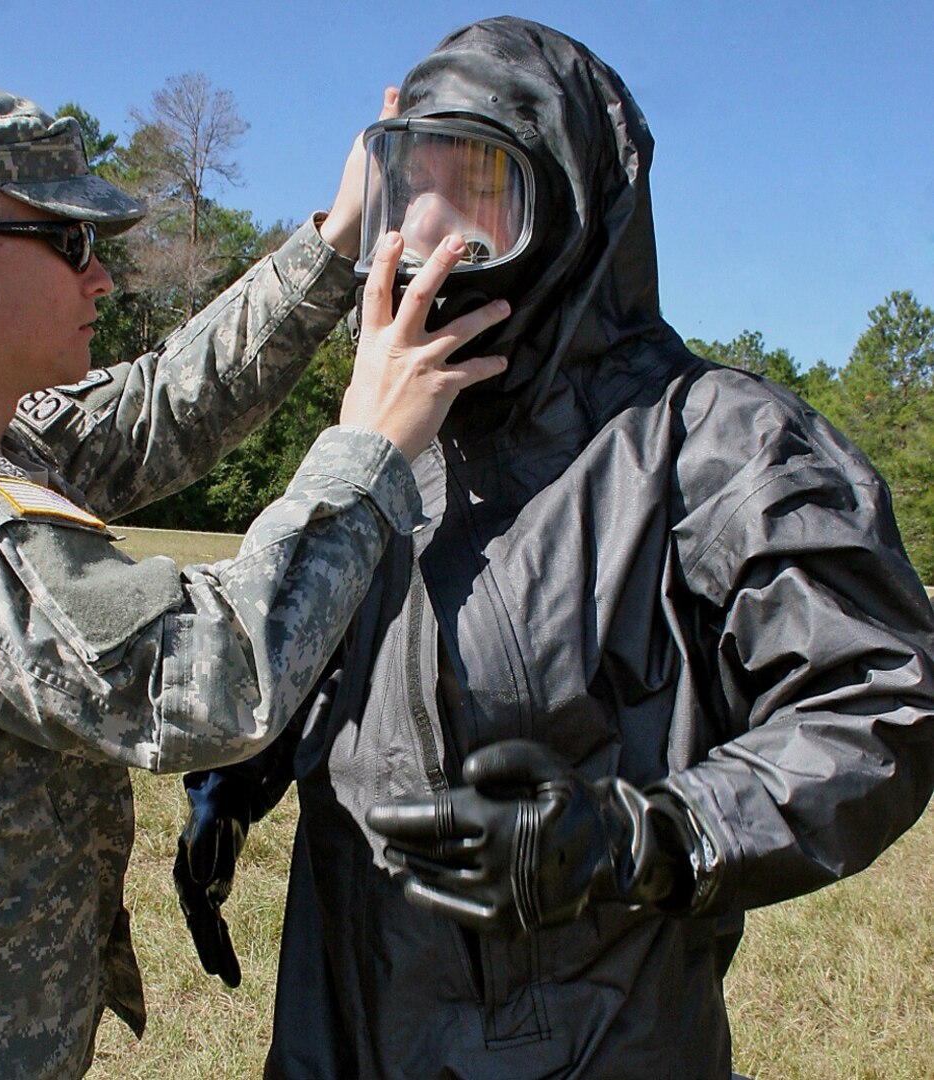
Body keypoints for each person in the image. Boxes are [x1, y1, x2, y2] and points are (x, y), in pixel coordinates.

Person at [172, 17, 934, 1079]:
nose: (433, 237)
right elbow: (355, 651)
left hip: (591, 1038)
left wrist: (648, 836)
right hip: (338, 1013)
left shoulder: (710, 440)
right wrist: (245, 774)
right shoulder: (394, 432)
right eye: (408, 191)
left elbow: (880, 702)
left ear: (571, 212)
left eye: (480, 190)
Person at [0, 74, 511, 1080]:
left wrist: (338, 239)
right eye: (71, 244)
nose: (100, 277)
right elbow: (211, 678)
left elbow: (161, 406)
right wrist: (366, 445)